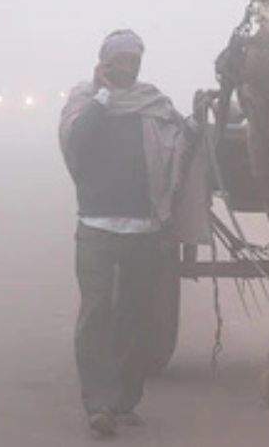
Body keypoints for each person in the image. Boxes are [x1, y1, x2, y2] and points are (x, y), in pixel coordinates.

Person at [58, 29, 199, 439]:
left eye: (134, 58)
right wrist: (103, 97)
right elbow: (78, 144)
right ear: (104, 61)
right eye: (120, 58)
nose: (129, 64)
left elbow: (180, 144)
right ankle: (98, 404)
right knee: (96, 314)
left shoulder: (153, 105)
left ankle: (124, 400)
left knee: (137, 317)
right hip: (97, 228)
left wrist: (200, 122)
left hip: (144, 229)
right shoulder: (84, 103)